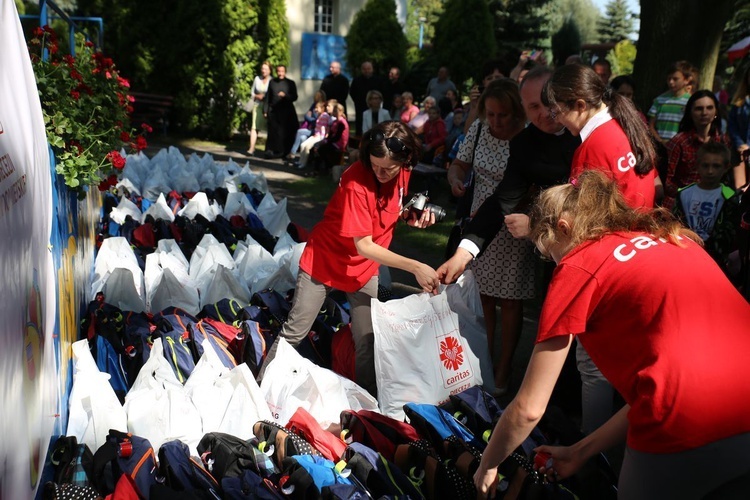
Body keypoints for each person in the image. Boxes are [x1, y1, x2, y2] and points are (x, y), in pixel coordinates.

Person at [474, 170, 750, 500]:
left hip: (684, 427)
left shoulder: (579, 265)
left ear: (564, 228)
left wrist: (487, 464)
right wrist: (580, 451)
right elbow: (661, 388)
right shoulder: (671, 238)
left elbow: (529, 408)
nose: (554, 262)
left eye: (549, 254)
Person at [439, 66, 580, 395]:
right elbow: (504, 197)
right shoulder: (528, 143)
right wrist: (464, 251)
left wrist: (536, 224)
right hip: (547, 243)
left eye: (548, 102)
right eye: (534, 107)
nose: (544, 113)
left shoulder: (588, 136)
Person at [280, 121, 439, 396]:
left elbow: (388, 208)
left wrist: (407, 216)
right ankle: (258, 389)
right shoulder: (356, 181)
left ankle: (367, 402)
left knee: (368, 338)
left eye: (388, 168)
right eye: (374, 165)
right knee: (296, 331)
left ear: (406, 160)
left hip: (363, 269)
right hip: (326, 260)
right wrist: (416, 266)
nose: (379, 173)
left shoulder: (404, 170)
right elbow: (364, 245)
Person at [540, 63, 657, 435]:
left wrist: (536, 226)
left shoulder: (593, 147)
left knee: (592, 365)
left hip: (608, 263)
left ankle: (591, 460)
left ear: (578, 103)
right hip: (639, 253)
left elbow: (579, 223)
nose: (556, 120)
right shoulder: (626, 124)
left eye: (557, 111)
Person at [445, 78, 527, 394]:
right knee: (484, 297)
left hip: (514, 224)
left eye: (502, 115)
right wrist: (455, 180)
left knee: (509, 299)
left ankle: (504, 368)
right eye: (490, 114)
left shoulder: (527, 136)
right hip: (481, 225)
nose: (495, 121)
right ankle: (484, 361)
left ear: (516, 112)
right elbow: (459, 165)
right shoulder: (479, 130)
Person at [673, 141, 741, 272]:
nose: (710, 171)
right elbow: (673, 224)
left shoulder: (729, 197)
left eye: (716, 166)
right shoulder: (684, 194)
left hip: (716, 262)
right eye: (705, 165)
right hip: (685, 255)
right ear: (697, 166)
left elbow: (731, 233)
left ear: (726, 167)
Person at [663, 90, 727, 209]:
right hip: (680, 204)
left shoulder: (724, 141)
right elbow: (665, 178)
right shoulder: (679, 142)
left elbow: (727, 178)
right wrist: (684, 193)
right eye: (699, 108)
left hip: (714, 205)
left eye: (709, 108)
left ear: (716, 112)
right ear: (690, 113)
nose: (704, 112)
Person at [648, 60, 696, 144]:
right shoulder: (659, 100)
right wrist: (659, 141)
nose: (671, 82)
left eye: (675, 79)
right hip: (660, 145)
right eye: (669, 79)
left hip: (681, 145)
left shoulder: (691, 102)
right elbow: (651, 125)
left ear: (687, 80)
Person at [263, 64, 299, 159]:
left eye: (282, 71)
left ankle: (285, 152)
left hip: (286, 112)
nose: (280, 73)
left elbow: (294, 97)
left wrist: (286, 95)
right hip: (274, 112)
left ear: (285, 72)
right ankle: (272, 152)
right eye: (278, 71)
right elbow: (268, 97)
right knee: (273, 133)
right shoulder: (272, 82)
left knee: (285, 133)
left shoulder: (290, 83)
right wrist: (265, 110)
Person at [311, 102, 349, 174]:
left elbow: (337, 137)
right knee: (317, 146)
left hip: (339, 144)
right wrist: (325, 141)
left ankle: (326, 168)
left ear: (340, 112)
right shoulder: (335, 122)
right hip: (333, 142)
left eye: (335, 110)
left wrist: (327, 142)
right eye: (334, 110)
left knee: (321, 150)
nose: (333, 112)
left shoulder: (342, 123)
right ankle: (318, 169)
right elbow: (331, 134)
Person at [728, 65, 750, 189]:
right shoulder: (739, 102)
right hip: (739, 151)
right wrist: (740, 144)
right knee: (740, 189)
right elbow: (732, 125)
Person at [288, 90, 327, 161]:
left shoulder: (323, 108)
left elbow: (316, 121)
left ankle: (293, 152)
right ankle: (303, 160)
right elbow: (306, 116)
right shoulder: (314, 105)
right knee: (303, 137)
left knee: (299, 132)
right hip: (311, 128)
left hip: (316, 131)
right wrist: (311, 118)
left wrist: (311, 118)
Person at [349, 61, 385, 136]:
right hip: (360, 107)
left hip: (375, 108)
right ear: (361, 70)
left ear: (372, 69)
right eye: (364, 69)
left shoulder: (378, 80)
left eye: (369, 68)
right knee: (360, 126)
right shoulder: (356, 80)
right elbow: (352, 92)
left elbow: (382, 93)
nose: (366, 71)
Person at [295, 100, 332, 169]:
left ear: (322, 108)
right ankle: (300, 161)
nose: (315, 109)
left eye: (317, 108)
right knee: (303, 145)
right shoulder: (319, 115)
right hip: (316, 135)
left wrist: (324, 136)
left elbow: (328, 125)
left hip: (320, 137)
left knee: (307, 147)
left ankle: (303, 163)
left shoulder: (325, 116)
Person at [247, 61, 271, 156]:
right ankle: (251, 148)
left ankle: (268, 149)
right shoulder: (257, 79)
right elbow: (252, 92)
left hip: (267, 107)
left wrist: (265, 97)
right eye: (262, 69)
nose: (263, 71)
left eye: (265, 69)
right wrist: (257, 96)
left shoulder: (271, 80)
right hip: (257, 105)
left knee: (269, 128)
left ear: (269, 71)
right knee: (254, 127)